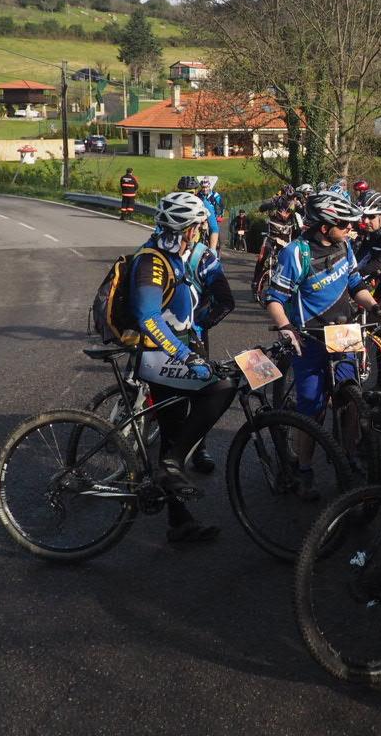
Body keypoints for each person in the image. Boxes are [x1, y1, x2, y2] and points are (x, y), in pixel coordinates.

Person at [128, 192, 238, 541]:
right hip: (155, 356)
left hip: (172, 353)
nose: (200, 232)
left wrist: (193, 339)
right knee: (220, 388)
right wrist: (185, 355)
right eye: (196, 227)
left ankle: (179, 521)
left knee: (174, 428)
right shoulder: (152, 261)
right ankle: (172, 463)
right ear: (184, 228)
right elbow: (148, 318)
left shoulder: (176, 256)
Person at [263, 191, 381, 495]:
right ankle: (304, 469)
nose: (350, 228)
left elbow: (355, 285)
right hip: (309, 338)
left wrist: (374, 306)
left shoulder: (345, 246)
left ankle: (347, 456)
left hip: (343, 333)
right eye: (344, 224)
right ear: (323, 227)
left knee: (353, 400)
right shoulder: (296, 253)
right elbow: (274, 298)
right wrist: (286, 328)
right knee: (313, 409)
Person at [253, 190, 304, 291]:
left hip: (285, 241)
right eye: (283, 210)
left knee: (287, 260)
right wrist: (270, 205)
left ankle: (285, 284)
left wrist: (300, 204)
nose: (285, 214)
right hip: (271, 238)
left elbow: (303, 214)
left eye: (289, 210)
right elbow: (261, 208)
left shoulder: (294, 212)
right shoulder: (275, 208)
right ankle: (256, 281)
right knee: (262, 257)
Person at [197, 179, 223, 251]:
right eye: (203, 187)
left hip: (213, 215)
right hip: (202, 215)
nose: (205, 189)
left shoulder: (215, 195)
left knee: (214, 228)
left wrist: (220, 215)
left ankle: (213, 249)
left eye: (206, 187)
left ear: (209, 187)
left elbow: (221, 206)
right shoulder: (198, 195)